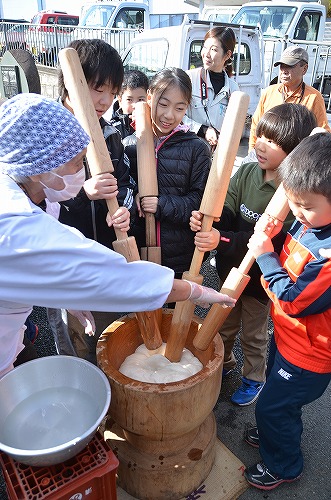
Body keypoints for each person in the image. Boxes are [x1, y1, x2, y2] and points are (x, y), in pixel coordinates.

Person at [0, 93, 236, 379]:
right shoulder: (18, 226)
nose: (81, 171)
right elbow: (123, 279)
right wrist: (195, 291)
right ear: (41, 167)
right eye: (76, 163)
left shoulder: (22, 189)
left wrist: (67, 293)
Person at [190, 104, 317, 405]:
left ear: (294, 152)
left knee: (254, 335)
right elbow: (227, 207)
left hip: (260, 282)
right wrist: (208, 221)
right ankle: (224, 363)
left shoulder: (292, 193)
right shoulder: (247, 171)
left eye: (272, 142)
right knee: (225, 324)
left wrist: (220, 238)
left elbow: (266, 241)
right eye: (260, 134)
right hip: (228, 271)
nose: (259, 144)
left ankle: (253, 378)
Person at [244, 131, 331, 490]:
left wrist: (264, 255)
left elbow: (295, 302)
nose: (297, 211)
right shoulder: (310, 218)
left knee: (273, 407)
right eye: (292, 202)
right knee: (276, 406)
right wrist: (275, 234)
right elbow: (290, 245)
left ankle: (284, 465)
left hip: (310, 356)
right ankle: (273, 434)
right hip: (288, 340)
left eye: (305, 205)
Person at [51, 39, 138, 361]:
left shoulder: (110, 134)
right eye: (96, 88)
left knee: (109, 333)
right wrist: (81, 192)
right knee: (74, 338)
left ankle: (111, 398)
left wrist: (123, 211)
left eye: (112, 92)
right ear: (71, 81)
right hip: (63, 263)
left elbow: (125, 184)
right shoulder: (47, 131)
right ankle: (85, 403)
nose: (104, 101)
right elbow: (33, 203)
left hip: (103, 254)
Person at [129, 67, 212, 278]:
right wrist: (134, 197)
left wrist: (160, 204)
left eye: (179, 108)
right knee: (143, 310)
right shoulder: (130, 144)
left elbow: (200, 201)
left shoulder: (196, 149)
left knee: (177, 309)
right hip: (138, 249)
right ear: (149, 97)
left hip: (179, 253)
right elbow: (123, 191)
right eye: (163, 104)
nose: (169, 115)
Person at [249, 45, 330, 151]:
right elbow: (256, 126)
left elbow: (322, 133)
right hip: (266, 154)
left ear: (304, 69)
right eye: (281, 66)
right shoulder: (269, 92)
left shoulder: (314, 97)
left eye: (289, 66)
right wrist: (252, 152)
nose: (283, 70)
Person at [183, 26, 239, 151]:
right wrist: (203, 130)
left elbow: (233, 128)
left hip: (215, 158)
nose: (206, 54)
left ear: (227, 55)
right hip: (187, 153)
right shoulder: (189, 78)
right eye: (204, 47)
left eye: (213, 50)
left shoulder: (233, 89)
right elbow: (177, 116)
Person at [111, 69, 149, 139]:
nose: (135, 105)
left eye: (140, 100)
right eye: (129, 100)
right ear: (120, 100)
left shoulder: (153, 127)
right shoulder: (112, 130)